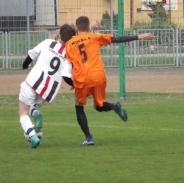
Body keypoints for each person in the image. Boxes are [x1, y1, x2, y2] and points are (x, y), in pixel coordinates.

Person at [65, 16, 155, 146]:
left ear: (76, 28)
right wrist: (139, 36)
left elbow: (70, 64)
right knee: (99, 105)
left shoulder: (69, 44)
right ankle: (113, 106)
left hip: (82, 79)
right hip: (98, 76)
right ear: (89, 28)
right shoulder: (94, 37)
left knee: (79, 107)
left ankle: (89, 138)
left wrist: (73, 81)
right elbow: (117, 39)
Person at [18, 24, 76, 149]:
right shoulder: (68, 54)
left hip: (33, 82)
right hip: (49, 90)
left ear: (59, 35)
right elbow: (66, 75)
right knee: (31, 107)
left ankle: (33, 136)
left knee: (22, 113)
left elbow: (31, 55)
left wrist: (25, 65)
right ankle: (35, 112)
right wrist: (74, 85)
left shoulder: (48, 42)